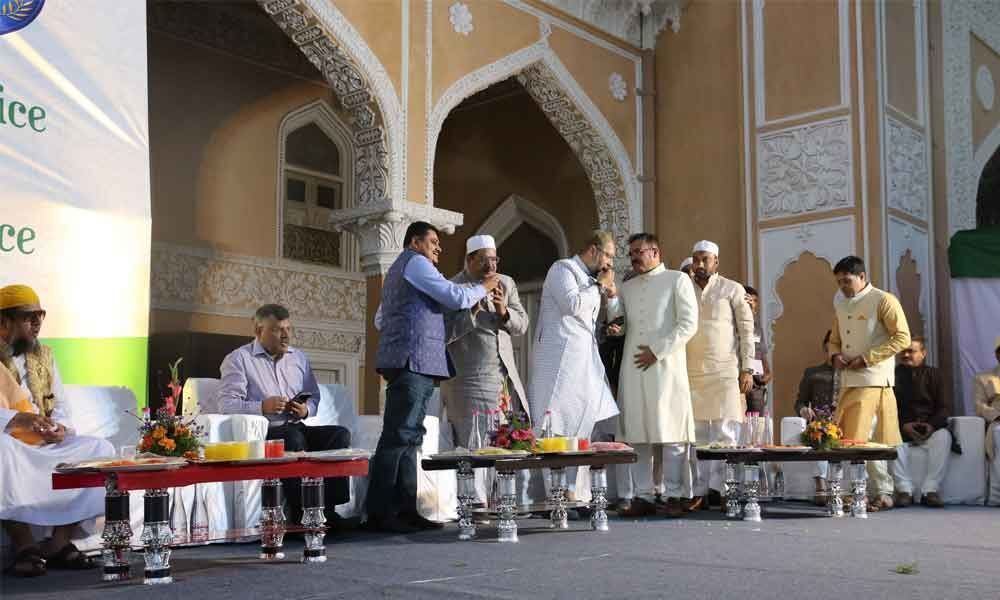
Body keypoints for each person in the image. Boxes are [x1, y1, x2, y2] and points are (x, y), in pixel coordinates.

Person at [368, 221, 500, 533]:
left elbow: (381, 318)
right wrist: (484, 287)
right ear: (414, 242)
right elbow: (453, 296)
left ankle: (404, 510)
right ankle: (380, 513)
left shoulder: (410, 271)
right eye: (433, 241)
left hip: (418, 362)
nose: (438, 248)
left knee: (411, 438)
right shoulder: (415, 263)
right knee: (398, 436)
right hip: (411, 361)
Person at [0, 284, 114, 577]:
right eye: (29, 316)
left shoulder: (46, 357)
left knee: (99, 450)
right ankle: (25, 546)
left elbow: (61, 406)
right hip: (12, 443)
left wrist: (61, 429)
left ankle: (59, 543)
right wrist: (16, 420)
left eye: (41, 315)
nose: (37, 323)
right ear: (4, 322)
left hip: (45, 442)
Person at [218, 303, 351, 528]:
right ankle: (301, 515)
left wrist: (306, 409)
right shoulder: (238, 359)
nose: (286, 335)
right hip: (265, 432)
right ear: (259, 331)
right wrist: (262, 406)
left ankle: (328, 510)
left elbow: (314, 397)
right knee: (292, 438)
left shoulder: (298, 358)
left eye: (289, 328)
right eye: (278, 329)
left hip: (296, 425)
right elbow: (226, 405)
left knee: (338, 435)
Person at [606, 234, 698, 517]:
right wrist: (611, 298)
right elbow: (619, 324)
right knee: (638, 434)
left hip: (666, 367)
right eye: (631, 252)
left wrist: (657, 351)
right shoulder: (627, 287)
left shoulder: (676, 280)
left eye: (638, 252)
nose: (633, 257)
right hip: (634, 369)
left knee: (670, 433)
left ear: (655, 251)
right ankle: (643, 495)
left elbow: (688, 324)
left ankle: (673, 495)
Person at [529, 230, 620, 501]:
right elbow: (572, 304)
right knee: (552, 424)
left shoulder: (592, 281)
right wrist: (599, 287)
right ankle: (555, 491)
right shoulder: (562, 270)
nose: (610, 265)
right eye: (609, 257)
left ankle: (575, 492)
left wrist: (611, 294)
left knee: (581, 425)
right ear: (594, 250)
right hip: (557, 362)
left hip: (582, 362)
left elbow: (608, 317)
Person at [441, 235, 528, 506]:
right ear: (469, 260)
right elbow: (443, 334)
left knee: (504, 441)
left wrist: (503, 312)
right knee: (473, 444)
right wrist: (474, 310)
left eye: (494, 260)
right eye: (484, 260)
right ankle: (474, 504)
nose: (491, 266)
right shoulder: (453, 288)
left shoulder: (506, 283)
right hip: (468, 380)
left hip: (503, 378)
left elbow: (522, 324)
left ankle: (503, 500)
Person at [828, 255, 910, 511]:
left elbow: (902, 338)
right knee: (849, 439)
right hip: (847, 380)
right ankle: (860, 492)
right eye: (839, 282)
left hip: (874, 379)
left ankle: (881, 492)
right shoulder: (841, 304)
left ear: (862, 277)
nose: (843, 286)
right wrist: (834, 355)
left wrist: (867, 358)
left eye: (847, 280)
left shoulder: (884, 300)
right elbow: (834, 340)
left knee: (868, 439)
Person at [685, 240, 755, 510]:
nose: (700, 264)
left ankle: (726, 491)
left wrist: (747, 368)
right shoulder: (684, 288)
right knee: (698, 435)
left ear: (716, 262)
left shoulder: (732, 289)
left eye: (705, 259)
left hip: (726, 371)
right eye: (696, 259)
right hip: (691, 371)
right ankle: (700, 491)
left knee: (726, 434)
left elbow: (746, 331)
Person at [891, 337, 950, 508]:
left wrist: (931, 425)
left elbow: (944, 407)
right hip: (901, 427)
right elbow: (887, 408)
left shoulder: (934, 374)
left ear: (923, 353)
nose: (907, 354)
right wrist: (904, 425)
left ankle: (930, 490)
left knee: (944, 437)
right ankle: (904, 490)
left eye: (912, 351)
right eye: (904, 351)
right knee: (890, 436)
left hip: (929, 427)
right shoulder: (892, 374)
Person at [796, 330, 838, 504]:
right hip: (820, 423)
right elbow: (799, 402)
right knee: (818, 434)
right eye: (830, 346)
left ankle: (839, 489)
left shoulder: (853, 374)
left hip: (845, 422)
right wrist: (804, 410)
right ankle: (820, 485)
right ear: (825, 347)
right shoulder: (813, 373)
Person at [974, 335, 1000, 504]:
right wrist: (997, 415)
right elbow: (979, 406)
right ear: (997, 355)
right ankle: (997, 495)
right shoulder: (984, 378)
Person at [743, 286, 772, 413]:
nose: (752, 304)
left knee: (757, 422)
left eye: (755, 301)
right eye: (749, 300)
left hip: (757, 383)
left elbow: (762, 351)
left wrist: (768, 371)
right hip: (741, 379)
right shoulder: (733, 322)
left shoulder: (757, 326)